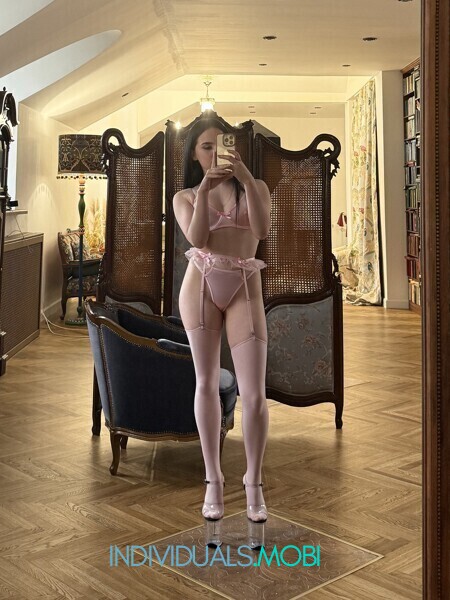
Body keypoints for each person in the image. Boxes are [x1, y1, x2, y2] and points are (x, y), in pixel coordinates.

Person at [173, 117, 271, 524]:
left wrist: (245, 178)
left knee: (254, 394)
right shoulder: (184, 196)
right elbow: (198, 239)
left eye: (222, 144)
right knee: (206, 382)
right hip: (201, 288)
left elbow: (261, 230)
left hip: (245, 286)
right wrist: (203, 190)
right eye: (206, 147)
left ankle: (253, 481)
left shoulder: (256, 187)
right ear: (194, 156)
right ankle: (213, 479)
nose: (215, 154)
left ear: (235, 146)